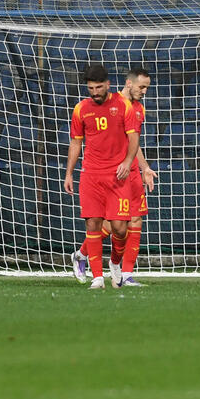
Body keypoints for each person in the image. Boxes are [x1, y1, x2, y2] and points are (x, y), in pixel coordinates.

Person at [70, 67, 156, 287]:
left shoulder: (138, 109)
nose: (144, 91)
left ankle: (124, 273)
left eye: (147, 87)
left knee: (133, 220)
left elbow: (134, 143)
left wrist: (144, 168)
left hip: (129, 171)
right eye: (141, 86)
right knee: (109, 223)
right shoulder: (113, 104)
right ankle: (83, 255)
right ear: (129, 83)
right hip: (106, 173)